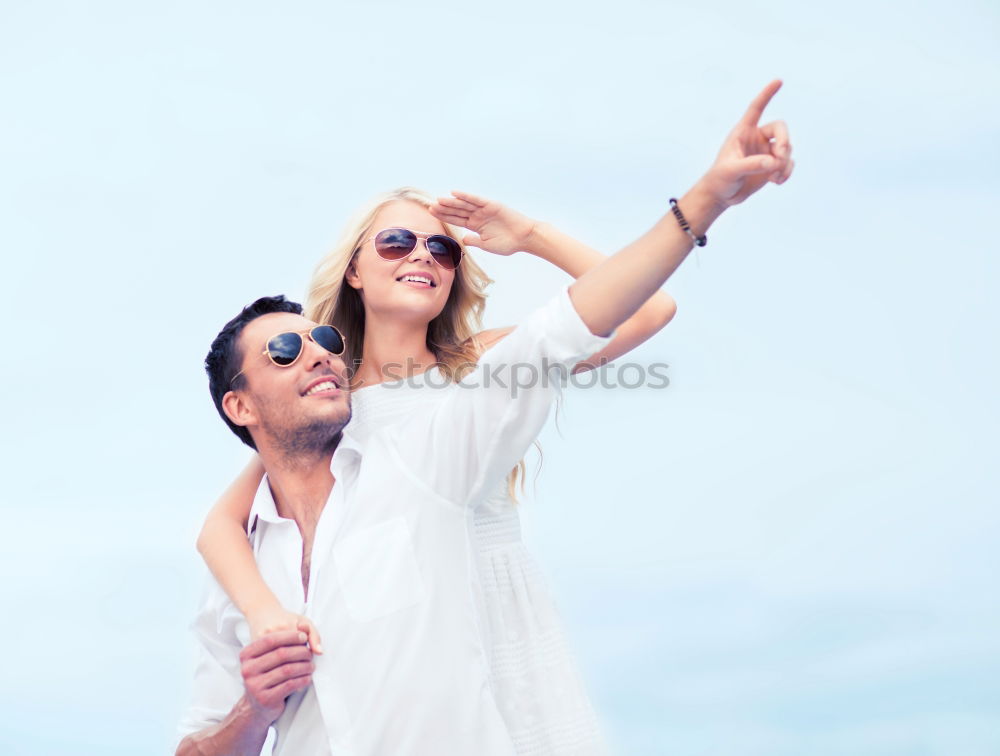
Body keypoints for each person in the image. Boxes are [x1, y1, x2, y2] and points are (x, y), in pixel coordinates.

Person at [176, 79, 794, 755]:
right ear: (353, 269)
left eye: (443, 249)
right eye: (396, 243)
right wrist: (268, 619)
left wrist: (530, 235)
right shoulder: (330, 402)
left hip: (490, 602)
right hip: (389, 627)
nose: (423, 255)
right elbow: (227, 523)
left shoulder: (480, 362)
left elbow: (645, 311)